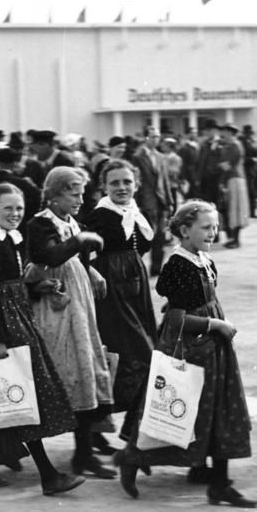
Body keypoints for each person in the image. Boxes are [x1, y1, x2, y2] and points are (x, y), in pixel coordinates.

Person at [112, 200, 257, 508]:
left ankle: (216, 479)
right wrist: (215, 323)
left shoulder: (202, 258)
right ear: (184, 230)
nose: (213, 232)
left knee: (216, 410)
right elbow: (176, 319)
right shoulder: (179, 265)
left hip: (211, 347)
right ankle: (132, 458)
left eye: (215, 226)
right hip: (190, 348)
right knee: (182, 410)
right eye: (206, 227)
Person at [0, 183, 84, 495]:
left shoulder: (10, 239)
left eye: (18, 208)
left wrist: (35, 289)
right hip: (1, 326)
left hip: (15, 317)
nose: (15, 214)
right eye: (7, 208)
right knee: (20, 392)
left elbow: (11, 283)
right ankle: (48, 474)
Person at [26, 167, 115, 479]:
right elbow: (49, 257)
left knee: (86, 367)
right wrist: (81, 241)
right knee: (65, 369)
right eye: (73, 193)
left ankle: (84, 452)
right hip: (56, 306)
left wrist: (92, 271)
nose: (80, 199)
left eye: (81, 193)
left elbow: (76, 258)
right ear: (54, 194)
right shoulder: (40, 224)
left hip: (78, 302)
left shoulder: (70, 222)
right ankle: (70, 451)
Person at [84, 160, 158, 442]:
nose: (121, 187)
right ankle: (117, 426)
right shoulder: (101, 216)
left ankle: (108, 428)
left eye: (127, 182)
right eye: (114, 182)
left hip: (134, 290)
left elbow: (144, 245)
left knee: (135, 358)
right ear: (103, 186)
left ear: (136, 184)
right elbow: (86, 253)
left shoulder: (136, 213)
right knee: (138, 356)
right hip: (113, 290)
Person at [130, 126, 172, 275]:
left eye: (158, 137)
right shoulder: (138, 156)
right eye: (153, 136)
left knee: (160, 237)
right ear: (146, 138)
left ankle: (156, 268)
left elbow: (165, 180)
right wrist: (136, 203)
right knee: (145, 236)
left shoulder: (161, 157)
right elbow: (136, 180)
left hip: (160, 201)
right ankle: (137, 268)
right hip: (146, 202)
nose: (156, 140)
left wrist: (169, 200)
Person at [217, 123, 249, 247]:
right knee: (232, 209)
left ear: (230, 133)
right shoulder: (229, 146)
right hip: (230, 179)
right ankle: (233, 238)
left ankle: (236, 239)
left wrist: (219, 166)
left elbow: (227, 165)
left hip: (235, 179)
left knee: (236, 209)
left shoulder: (235, 146)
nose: (222, 135)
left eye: (224, 132)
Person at [241, 125, 257, 218]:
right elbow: (242, 157)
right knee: (250, 191)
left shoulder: (253, 141)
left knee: (255, 191)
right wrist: (252, 160)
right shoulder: (242, 142)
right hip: (247, 169)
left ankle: (253, 210)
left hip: (254, 169)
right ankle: (250, 211)